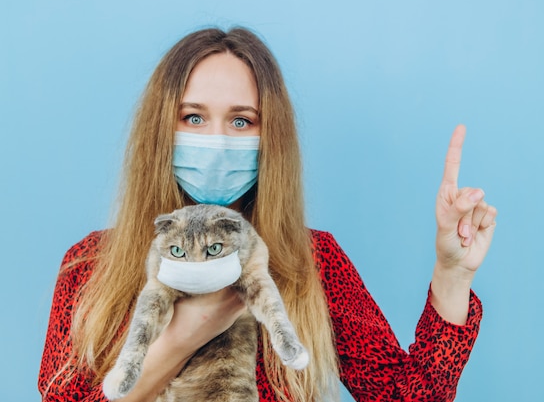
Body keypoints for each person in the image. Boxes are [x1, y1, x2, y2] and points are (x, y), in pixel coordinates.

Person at [39, 27, 497, 402]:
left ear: (268, 138)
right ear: (161, 128)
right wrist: (180, 340)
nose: (217, 140)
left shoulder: (312, 261)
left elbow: (409, 396)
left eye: (242, 121)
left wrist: (452, 274)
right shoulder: (90, 265)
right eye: (193, 118)